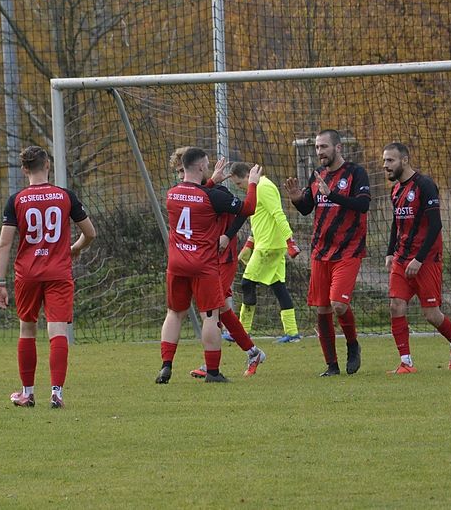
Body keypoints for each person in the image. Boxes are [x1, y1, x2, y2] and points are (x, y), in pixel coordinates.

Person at [0, 146, 96, 409]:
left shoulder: (16, 200)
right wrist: (74, 249)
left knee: (27, 328)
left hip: (27, 274)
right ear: (47, 165)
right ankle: (56, 393)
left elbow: (4, 244)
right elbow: (90, 233)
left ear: (24, 170)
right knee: (58, 330)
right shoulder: (65, 196)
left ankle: (27, 393)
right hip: (58, 272)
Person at [156, 147, 260, 384]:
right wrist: (252, 183)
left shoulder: (171, 194)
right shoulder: (213, 196)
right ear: (202, 167)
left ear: (184, 168)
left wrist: (212, 181)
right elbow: (248, 209)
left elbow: (196, 197)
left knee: (174, 313)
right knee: (211, 317)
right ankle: (213, 371)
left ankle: (166, 366)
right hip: (203, 265)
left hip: (176, 263)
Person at [283, 130, 370, 376]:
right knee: (322, 309)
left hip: (348, 249)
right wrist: (297, 199)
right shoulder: (317, 174)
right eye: (317, 147)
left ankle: (352, 345)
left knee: (338, 305)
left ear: (338, 148)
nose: (319, 151)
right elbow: (307, 208)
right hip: (320, 251)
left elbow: (363, 204)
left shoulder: (356, 173)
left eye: (324, 147)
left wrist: (333, 195)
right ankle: (331, 365)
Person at [381, 142, 451, 374]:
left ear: (404, 160)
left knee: (431, 314)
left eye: (390, 160)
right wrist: (390, 252)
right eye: (384, 161)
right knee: (396, 305)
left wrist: (418, 259)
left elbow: (436, 225)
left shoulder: (425, 185)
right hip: (401, 258)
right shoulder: (395, 190)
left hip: (426, 259)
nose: (385, 165)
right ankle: (406, 363)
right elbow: (396, 224)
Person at [228, 162, 302, 343]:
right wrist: (249, 244)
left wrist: (290, 241)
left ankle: (242, 331)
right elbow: (261, 220)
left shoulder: (264, 187)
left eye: (239, 183)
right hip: (268, 244)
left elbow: (278, 214)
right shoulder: (257, 188)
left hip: (269, 246)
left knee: (247, 283)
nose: (240, 187)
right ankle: (292, 333)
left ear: (248, 176)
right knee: (279, 287)